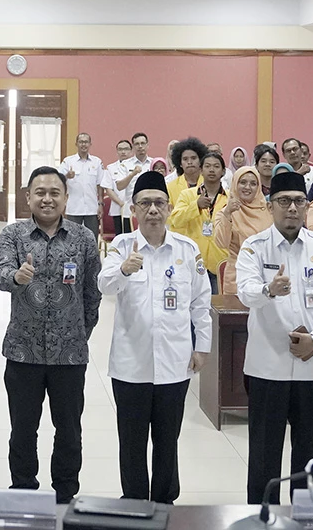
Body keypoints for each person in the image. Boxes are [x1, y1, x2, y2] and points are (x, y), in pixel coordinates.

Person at [236, 171, 313, 505]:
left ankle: (304, 515)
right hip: (267, 366)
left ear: (307, 206)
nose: (292, 208)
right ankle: (264, 515)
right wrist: (268, 289)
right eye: (284, 201)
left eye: (299, 201)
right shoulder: (254, 247)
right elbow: (245, 292)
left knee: (308, 449)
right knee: (263, 450)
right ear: (270, 206)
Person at [98, 171, 211, 504]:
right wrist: (124, 269)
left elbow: (201, 302)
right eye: (145, 203)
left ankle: (164, 502)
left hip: (175, 362)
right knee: (131, 441)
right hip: (130, 365)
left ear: (169, 207)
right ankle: (134, 502)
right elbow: (103, 285)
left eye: (159, 203)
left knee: (168, 439)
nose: (152, 210)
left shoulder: (187, 250)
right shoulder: (121, 246)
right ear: (133, 209)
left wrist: (203, 347)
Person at [0, 167, 101, 504]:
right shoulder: (13, 234)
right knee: (23, 430)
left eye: (55, 192)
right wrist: (17, 276)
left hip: (69, 354)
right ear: (28, 197)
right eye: (40, 192)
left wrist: (79, 333)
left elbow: (93, 292)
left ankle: (65, 495)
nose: (47, 199)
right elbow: (0, 274)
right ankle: (23, 492)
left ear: (66, 198)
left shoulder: (83, 238)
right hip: (22, 352)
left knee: (69, 431)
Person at [169, 152, 229, 292]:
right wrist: (196, 205)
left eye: (216, 166)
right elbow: (175, 220)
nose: (212, 170)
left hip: (220, 259)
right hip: (193, 259)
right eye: (207, 166)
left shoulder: (230, 198)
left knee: (217, 302)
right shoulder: (187, 195)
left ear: (223, 171)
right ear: (201, 170)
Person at [214, 167, 272, 295]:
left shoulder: (269, 211)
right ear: (235, 184)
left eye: (253, 183)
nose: (247, 187)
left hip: (266, 275)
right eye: (243, 182)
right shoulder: (225, 212)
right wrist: (228, 214)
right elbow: (221, 243)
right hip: (237, 276)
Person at [59, 132, 110, 239]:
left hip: (92, 208)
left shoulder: (97, 162)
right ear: (76, 144)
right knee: (72, 239)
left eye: (86, 142)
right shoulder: (68, 161)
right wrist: (67, 176)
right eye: (81, 142)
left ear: (90, 144)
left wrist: (100, 204)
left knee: (92, 238)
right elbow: (58, 179)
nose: (83, 144)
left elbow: (100, 184)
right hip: (74, 208)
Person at [106, 139, 137, 234]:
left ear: (131, 151)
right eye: (120, 149)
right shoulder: (110, 168)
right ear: (117, 151)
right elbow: (108, 189)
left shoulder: (137, 166)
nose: (123, 152)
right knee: (120, 235)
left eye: (126, 149)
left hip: (134, 207)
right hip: (117, 208)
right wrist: (121, 203)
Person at [166, 137, 206, 207]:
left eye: (193, 158)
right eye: (185, 159)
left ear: (200, 160)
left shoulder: (209, 184)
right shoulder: (170, 187)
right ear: (180, 163)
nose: (189, 162)